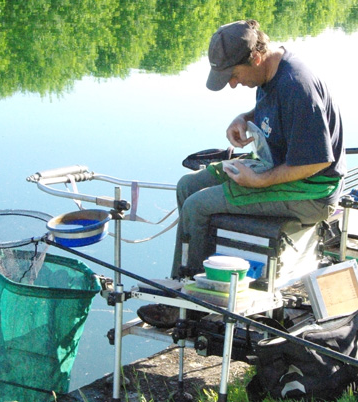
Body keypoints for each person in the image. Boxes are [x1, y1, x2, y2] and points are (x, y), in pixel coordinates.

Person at [137, 19, 346, 328]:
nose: (233, 84)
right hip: (278, 168)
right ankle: (187, 282)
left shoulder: (296, 84)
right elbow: (275, 107)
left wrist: (260, 180)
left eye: (234, 75)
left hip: (312, 191)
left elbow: (316, 161)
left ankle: (191, 304)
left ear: (256, 57)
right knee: (187, 187)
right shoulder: (271, 70)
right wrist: (245, 117)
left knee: (198, 206)